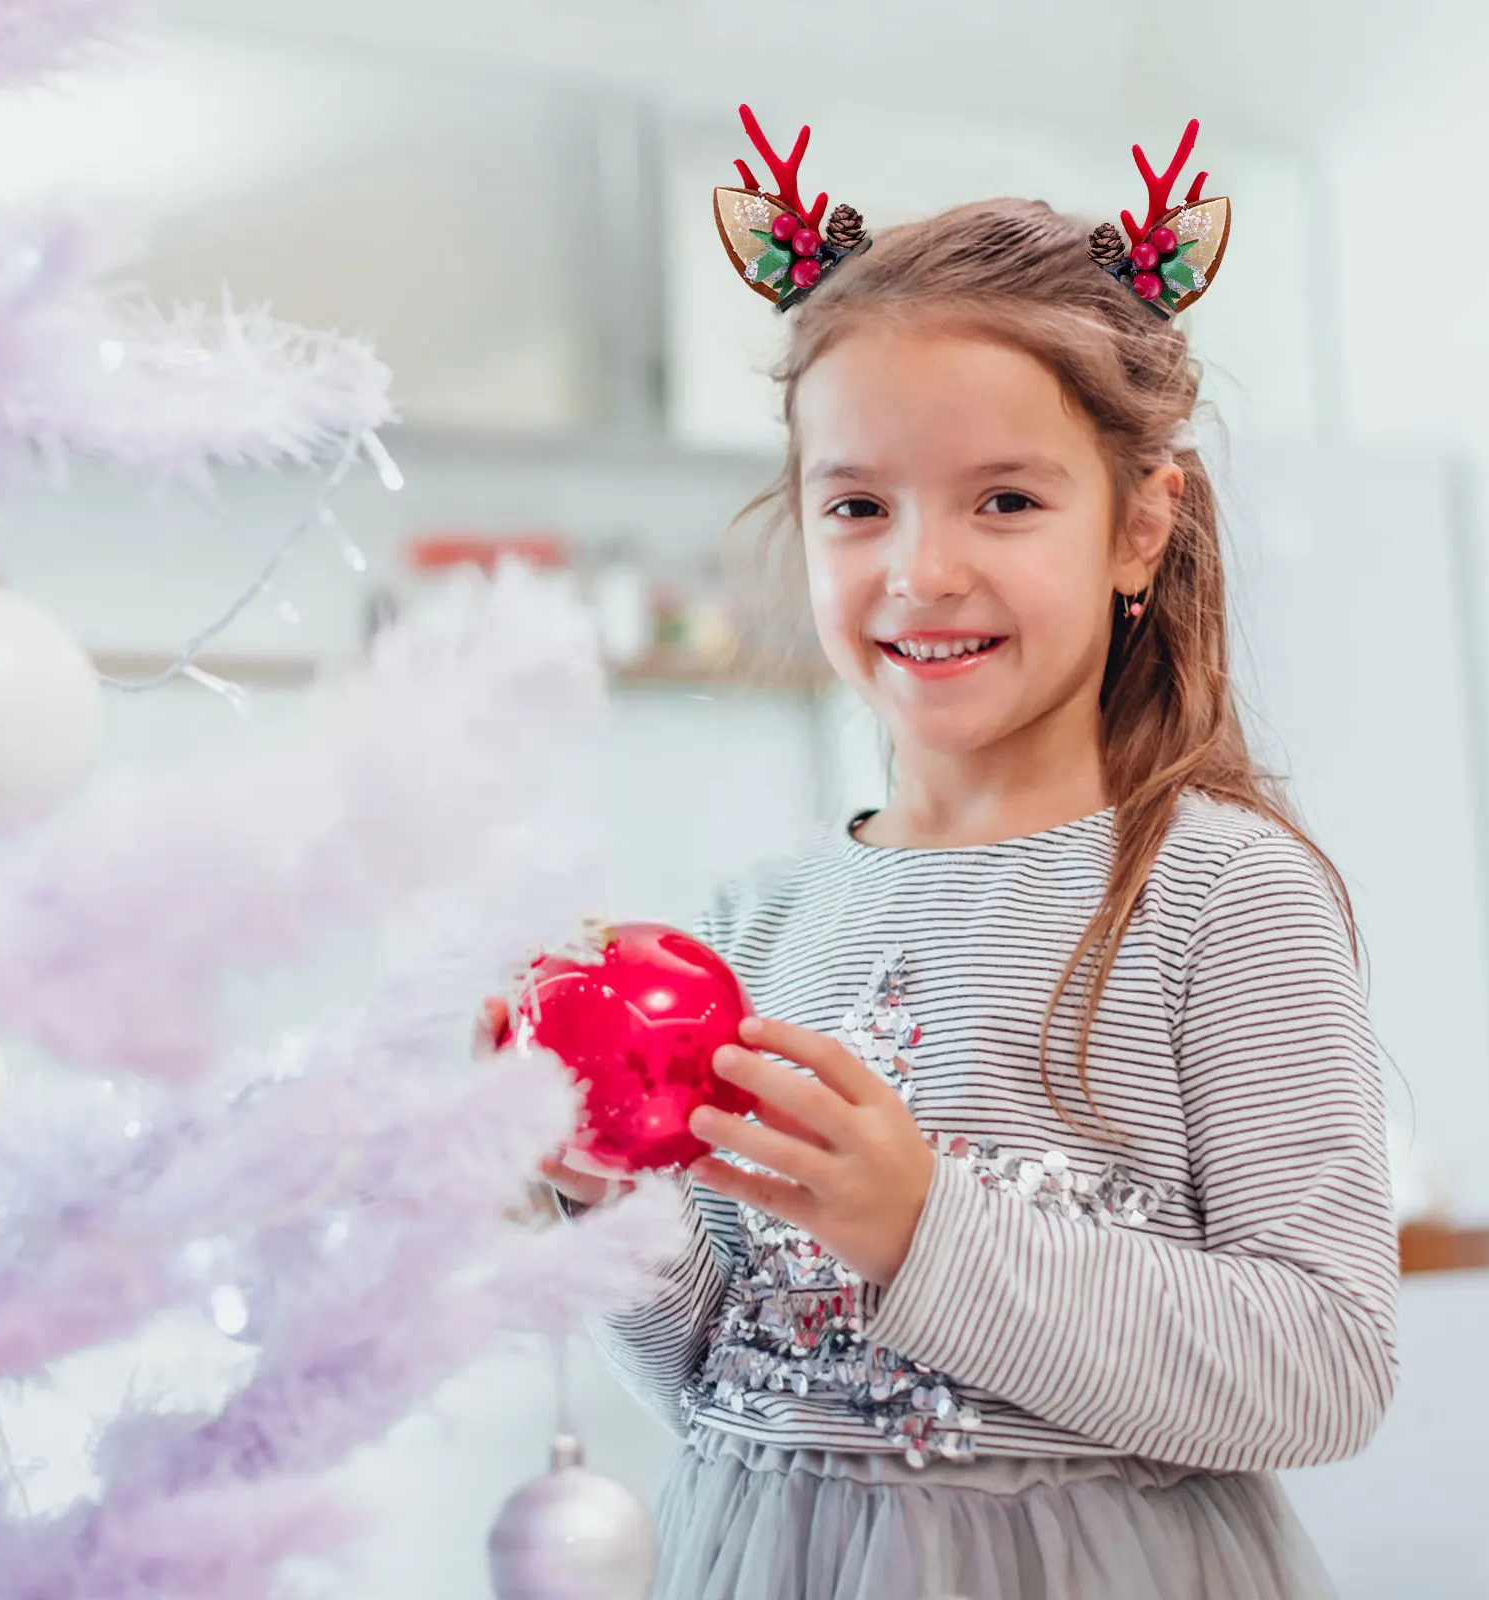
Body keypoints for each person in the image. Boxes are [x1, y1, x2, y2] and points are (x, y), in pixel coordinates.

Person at [541, 117, 1399, 1600]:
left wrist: (924, 1231)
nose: (919, 569)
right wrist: (608, 1194)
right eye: (858, 503)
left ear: (1141, 525)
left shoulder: (1221, 895)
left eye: (1005, 499)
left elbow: (1326, 1367)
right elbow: (727, 1387)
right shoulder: (762, 915)